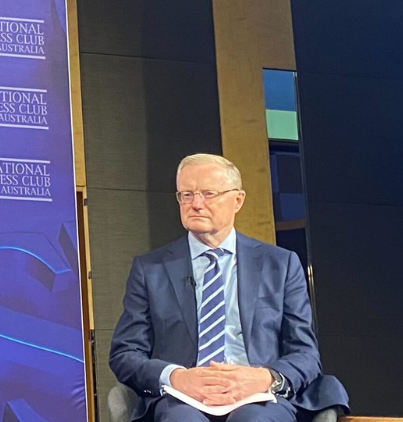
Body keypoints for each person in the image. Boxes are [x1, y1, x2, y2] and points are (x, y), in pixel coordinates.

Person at [110, 154, 347, 422]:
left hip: (258, 398)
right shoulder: (150, 269)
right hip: (182, 401)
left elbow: (305, 353)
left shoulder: (279, 264)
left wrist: (264, 377)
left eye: (208, 194)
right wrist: (176, 377)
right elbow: (125, 353)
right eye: (186, 195)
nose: (195, 204)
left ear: (238, 200)